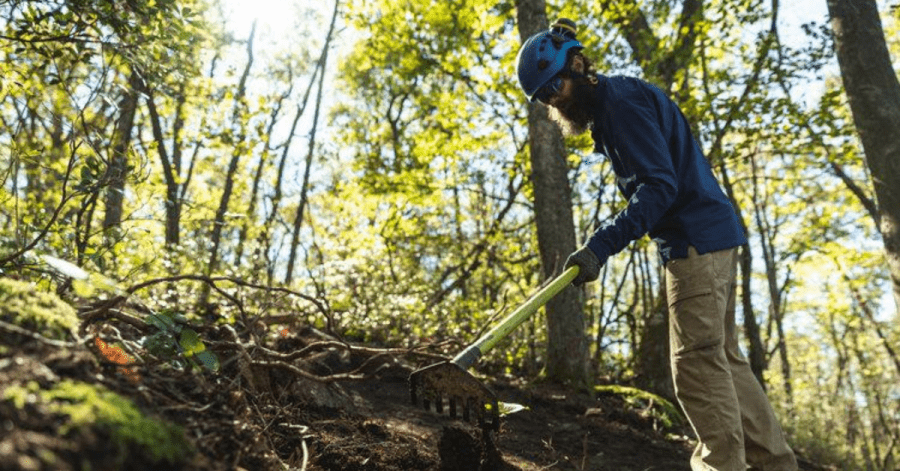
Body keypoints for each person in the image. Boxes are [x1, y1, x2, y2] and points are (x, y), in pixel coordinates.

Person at [515, 18, 799, 471]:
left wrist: (600, 246)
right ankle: (774, 464)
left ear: (578, 65)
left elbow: (659, 187)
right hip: (712, 239)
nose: (554, 100)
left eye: (557, 86)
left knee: (696, 368)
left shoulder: (621, 105)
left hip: (694, 243)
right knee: (723, 359)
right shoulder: (616, 105)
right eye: (545, 96)